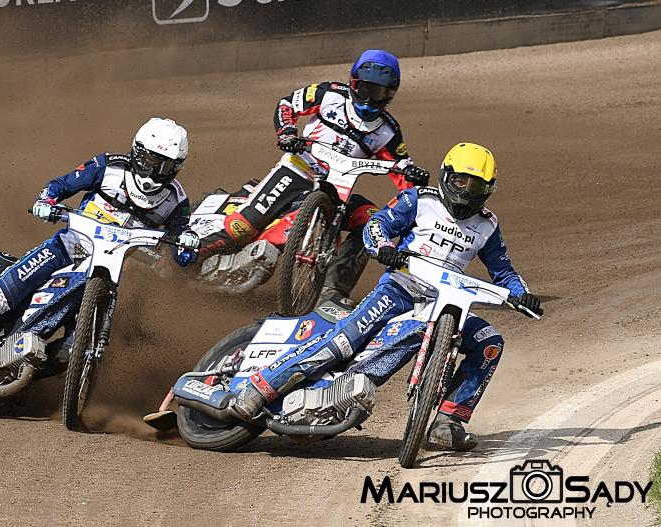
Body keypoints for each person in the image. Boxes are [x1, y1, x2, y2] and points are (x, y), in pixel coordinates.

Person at [227, 142, 543, 450]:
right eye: (461, 181)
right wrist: (385, 248)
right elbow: (377, 225)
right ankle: (261, 387)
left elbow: (503, 271)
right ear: (447, 176)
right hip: (398, 290)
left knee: (490, 342)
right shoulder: (419, 199)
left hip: (448, 304)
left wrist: (523, 295)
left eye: (476, 186)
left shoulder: (488, 225)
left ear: (488, 189)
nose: (466, 191)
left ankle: (449, 422)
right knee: (343, 342)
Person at [0, 117, 200, 390]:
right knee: (3, 297)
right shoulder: (107, 166)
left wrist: (187, 246)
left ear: (176, 168)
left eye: (165, 166)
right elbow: (61, 185)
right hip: (66, 246)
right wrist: (46, 200)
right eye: (150, 160)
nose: (154, 171)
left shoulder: (176, 199)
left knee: (78, 345)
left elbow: (182, 243)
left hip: (109, 270)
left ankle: (21, 369)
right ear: (137, 152)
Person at [198, 49, 430, 305]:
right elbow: (287, 104)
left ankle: (332, 292)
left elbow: (402, 168)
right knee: (241, 228)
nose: (368, 100)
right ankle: (188, 257)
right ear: (353, 83)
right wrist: (287, 133)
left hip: (339, 192)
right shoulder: (329, 94)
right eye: (364, 89)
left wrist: (415, 178)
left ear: (390, 94)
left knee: (370, 220)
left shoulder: (388, 131)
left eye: (377, 93)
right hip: (298, 169)